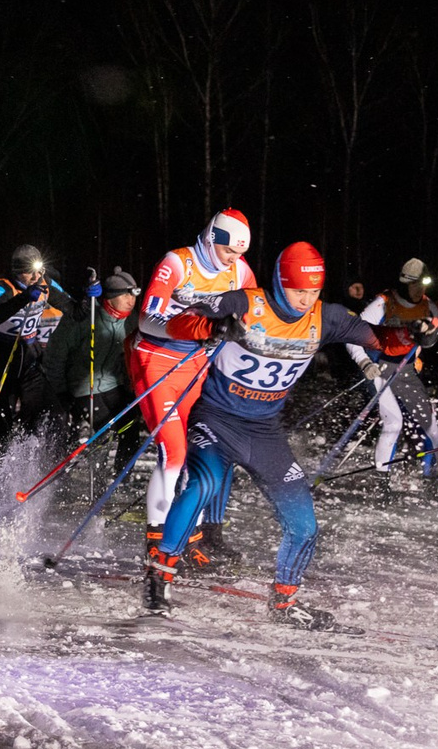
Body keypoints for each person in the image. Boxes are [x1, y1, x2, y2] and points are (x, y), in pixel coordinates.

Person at [145, 241, 385, 627]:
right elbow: (183, 320)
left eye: (313, 291)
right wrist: (210, 325)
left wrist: (411, 336)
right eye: (298, 290)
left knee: (304, 525)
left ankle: (284, 602)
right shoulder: (244, 302)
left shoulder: (329, 318)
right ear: (279, 282)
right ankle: (159, 575)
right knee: (202, 485)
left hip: (264, 431)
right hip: (216, 419)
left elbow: (381, 339)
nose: (306, 299)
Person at [134, 210, 257, 552]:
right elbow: (147, 318)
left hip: (197, 364)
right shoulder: (178, 263)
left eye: (238, 253)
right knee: (173, 453)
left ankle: (191, 539)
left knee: (200, 455)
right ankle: (157, 542)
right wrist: (200, 328)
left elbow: (254, 316)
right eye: (228, 251)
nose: (233, 259)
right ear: (210, 239)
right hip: (157, 359)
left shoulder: (240, 271)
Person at [0, 244, 75, 477]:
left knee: (53, 414)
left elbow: (73, 308)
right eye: (30, 272)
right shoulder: (2, 287)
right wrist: (23, 300)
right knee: (2, 429)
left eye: (39, 271)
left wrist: (92, 296)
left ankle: (39, 471)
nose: (36, 276)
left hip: (28, 363)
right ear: (17, 271)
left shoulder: (45, 283)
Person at [353, 259, 438, 477]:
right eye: (415, 285)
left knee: (430, 423)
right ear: (405, 284)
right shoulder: (384, 302)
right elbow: (353, 332)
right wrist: (364, 361)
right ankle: (382, 482)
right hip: (379, 366)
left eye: (423, 285)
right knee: (394, 422)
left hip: (406, 369)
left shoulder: (427, 305)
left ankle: (431, 474)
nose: (420, 290)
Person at [46, 268, 139, 474]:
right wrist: (60, 391)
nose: (130, 300)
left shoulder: (132, 321)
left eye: (133, 294)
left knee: (130, 428)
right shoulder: (86, 317)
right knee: (104, 433)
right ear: (111, 297)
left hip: (112, 386)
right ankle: (95, 487)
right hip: (82, 387)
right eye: (125, 294)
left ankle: (121, 480)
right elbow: (55, 353)